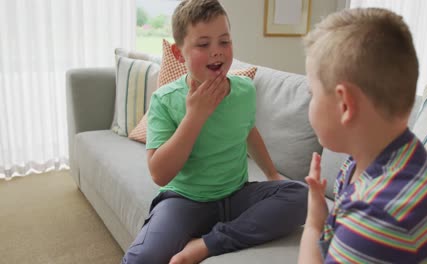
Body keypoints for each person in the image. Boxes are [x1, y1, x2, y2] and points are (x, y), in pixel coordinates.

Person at [121, 0, 308, 263]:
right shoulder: (164, 99)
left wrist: (272, 174)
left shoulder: (244, 90)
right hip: (185, 201)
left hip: (237, 195)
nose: (217, 52)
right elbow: (159, 173)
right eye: (203, 44)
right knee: (141, 259)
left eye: (224, 41)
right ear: (178, 53)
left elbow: (249, 131)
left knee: (301, 196)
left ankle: (208, 243)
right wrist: (195, 116)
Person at [298, 7, 427, 263]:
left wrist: (313, 224)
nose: (309, 101)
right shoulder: (396, 154)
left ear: (345, 105)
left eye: (312, 93)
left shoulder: (379, 217)